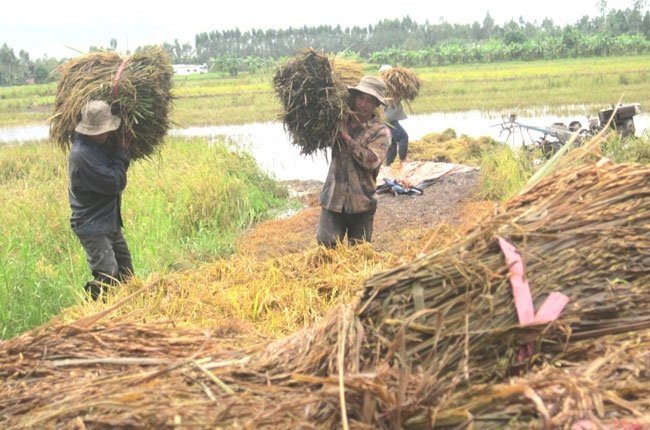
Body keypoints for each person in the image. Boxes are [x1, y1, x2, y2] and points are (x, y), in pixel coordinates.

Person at [68, 100, 134, 300]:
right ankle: (91, 310)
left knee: (127, 272)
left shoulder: (100, 145)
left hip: (109, 221)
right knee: (107, 274)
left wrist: (119, 153)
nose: (107, 133)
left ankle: (124, 311)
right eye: (103, 130)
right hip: (92, 224)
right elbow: (114, 182)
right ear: (89, 131)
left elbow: (116, 172)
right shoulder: (83, 155)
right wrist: (122, 153)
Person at [316, 76, 391, 248]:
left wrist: (346, 138)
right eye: (360, 98)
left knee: (359, 252)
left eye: (369, 101)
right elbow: (319, 140)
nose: (363, 104)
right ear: (354, 98)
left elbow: (371, 161)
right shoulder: (339, 122)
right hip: (333, 198)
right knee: (326, 246)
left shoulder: (381, 132)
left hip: (361, 203)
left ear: (376, 106)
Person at [379, 65, 409, 166]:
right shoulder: (385, 88)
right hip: (388, 121)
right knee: (403, 137)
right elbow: (393, 99)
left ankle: (388, 165)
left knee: (391, 145)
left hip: (387, 120)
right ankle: (403, 159)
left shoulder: (389, 88)